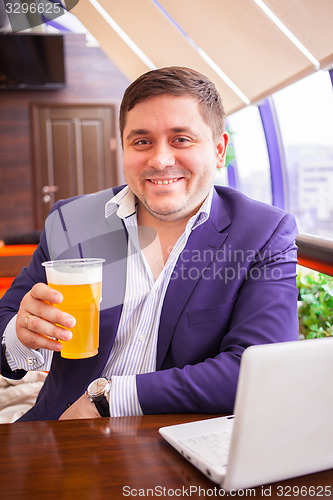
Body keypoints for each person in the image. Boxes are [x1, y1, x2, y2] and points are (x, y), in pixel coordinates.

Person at [0, 67, 299, 422]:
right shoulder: (72, 220)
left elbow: (258, 369)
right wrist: (20, 336)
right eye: (142, 141)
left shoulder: (263, 232)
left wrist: (109, 397)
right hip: (58, 432)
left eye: (181, 139)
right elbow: (6, 330)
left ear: (218, 150)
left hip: (171, 450)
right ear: (123, 148)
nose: (159, 160)